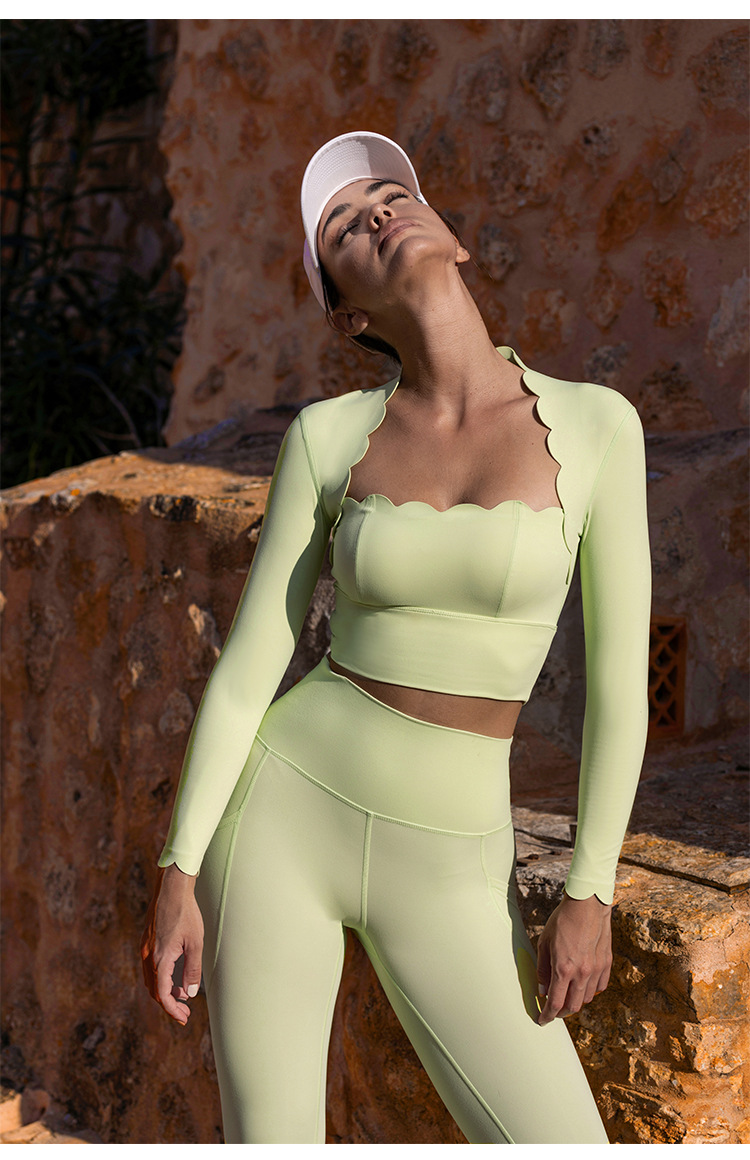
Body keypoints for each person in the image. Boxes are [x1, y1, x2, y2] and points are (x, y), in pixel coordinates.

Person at [140, 131, 651, 1145]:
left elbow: (621, 685)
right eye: (343, 224)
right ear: (348, 312)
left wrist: (591, 888)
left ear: (453, 239)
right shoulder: (326, 438)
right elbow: (250, 665)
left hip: (454, 859)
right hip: (283, 814)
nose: (375, 210)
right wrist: (178, 867)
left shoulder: (599, 425)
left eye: (389, 192)